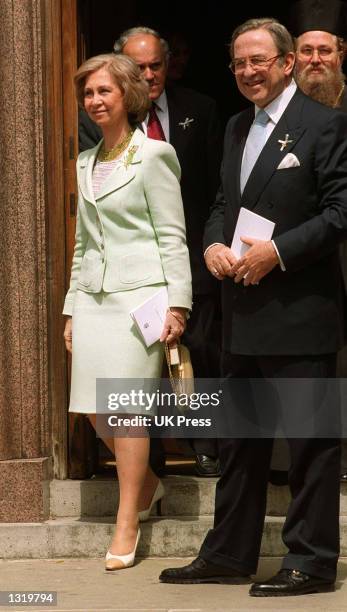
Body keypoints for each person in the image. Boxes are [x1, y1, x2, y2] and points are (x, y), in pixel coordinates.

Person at [160, 17, 347, 596]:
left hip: (300, 315)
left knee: (311, 447)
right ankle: (228, 554)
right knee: (240, 444)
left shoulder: (325, 126)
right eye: (239, 62)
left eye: (258, 60)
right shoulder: (238, 126)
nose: (247, 71)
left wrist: (279, 253)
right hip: (240, 314)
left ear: (288, 62)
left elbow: (340, 212)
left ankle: (311, 562)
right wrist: (214, 243)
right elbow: (222, 202)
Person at [63, 53, 192, 571]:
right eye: (89, 93)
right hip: (94, 301)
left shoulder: (156, 155)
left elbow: (173, 235)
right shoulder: (85, 162)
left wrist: (178, 306)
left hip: (141, 300)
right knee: (97, 412)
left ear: (127, 96)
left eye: (103, 92)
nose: (95, 101)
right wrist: (72, 308)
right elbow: (81, 244)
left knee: (127, 411)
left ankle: (126, 521)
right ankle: (150, 485)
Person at [80, 26, 222, 476]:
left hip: (182, 263)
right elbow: (89, 228)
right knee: (112, 397)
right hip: (110, 290)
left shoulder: (193, 116)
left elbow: (211, 191)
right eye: (137, 68)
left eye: (155, 65)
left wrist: (183, 292)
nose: (148, 75)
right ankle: (148, 473)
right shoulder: (92, 141)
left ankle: (204, 446)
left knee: (189, 360)